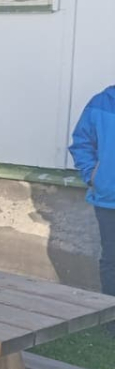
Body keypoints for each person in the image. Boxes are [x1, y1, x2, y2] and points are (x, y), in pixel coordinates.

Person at [70, 82, 115, 304]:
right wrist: (93, 176)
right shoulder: (101, 103)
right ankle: (110, 315)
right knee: (112, 260)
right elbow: (82, 143)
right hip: (109, 198)